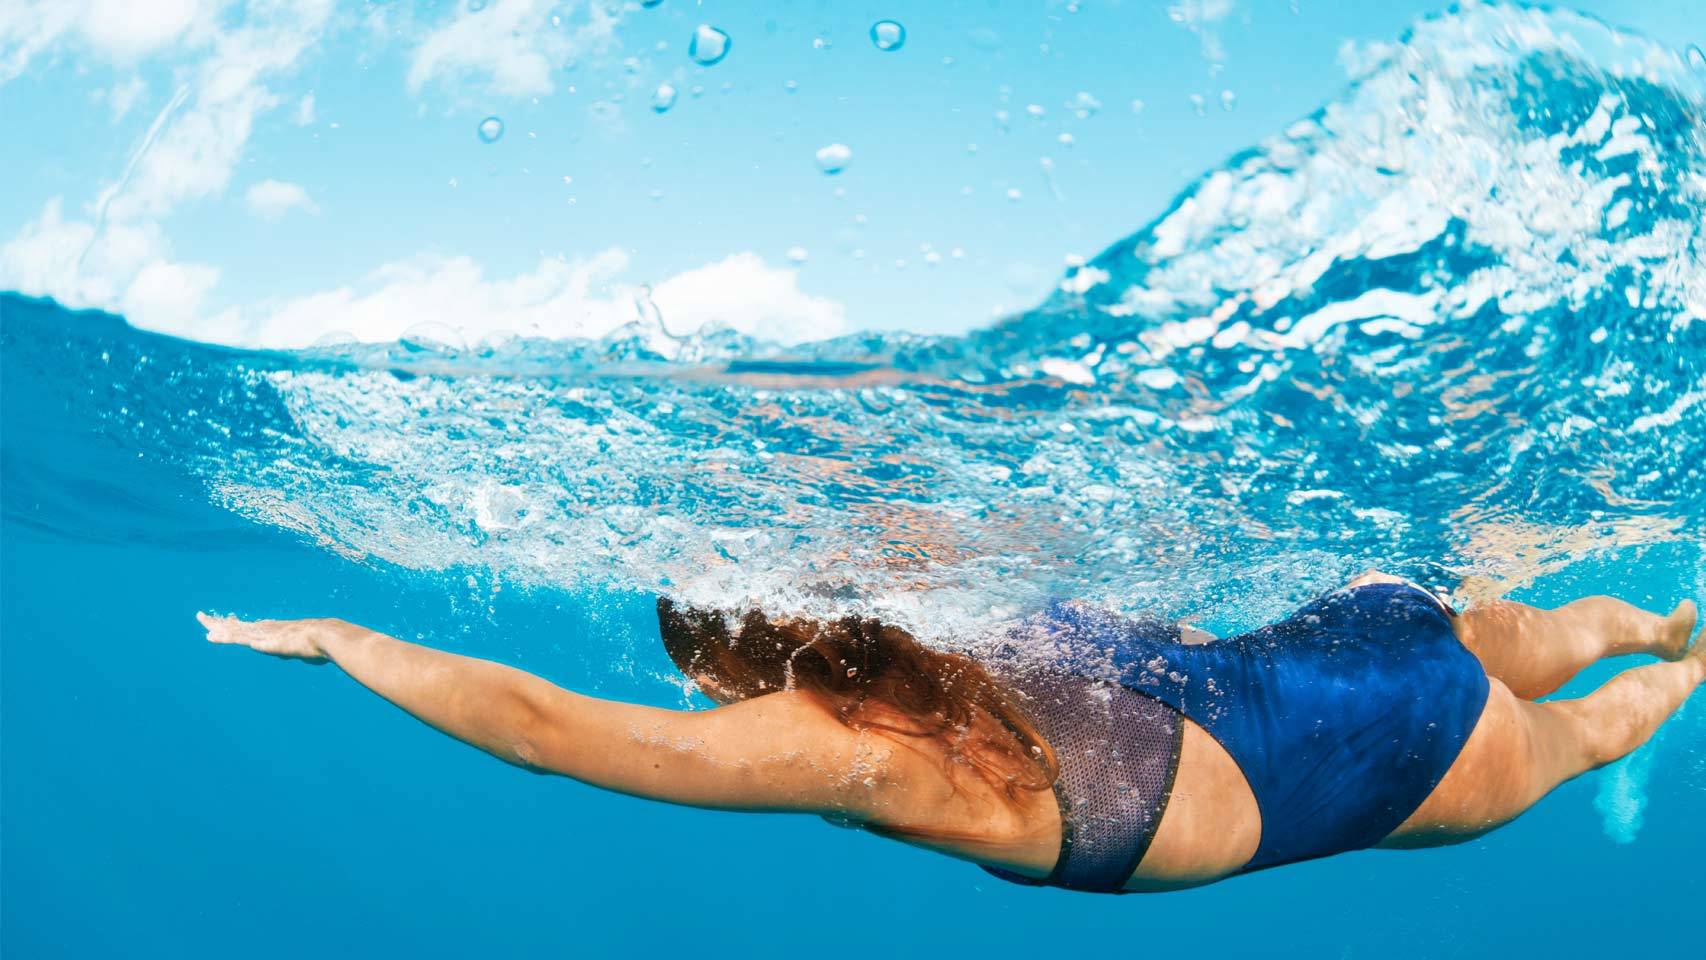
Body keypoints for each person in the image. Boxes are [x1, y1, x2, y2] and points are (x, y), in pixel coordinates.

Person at [199, 572, 1703, 893]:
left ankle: (1684, 667)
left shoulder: (861, 746)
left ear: (749, 673)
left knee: (1582, 742)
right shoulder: (952, 621)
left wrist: (344, 638)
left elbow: (538, 726)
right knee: (1535, 633)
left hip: (1358, 781)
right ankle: (1660, 611)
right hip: (1331, 648)